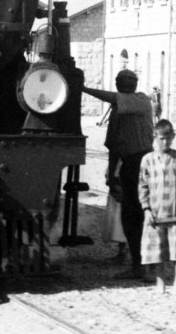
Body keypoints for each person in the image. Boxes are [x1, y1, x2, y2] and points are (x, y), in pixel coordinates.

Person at [82, 69, 153, 279]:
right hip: (128, 165)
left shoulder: (141, 100)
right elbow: (113, 146)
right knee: (129, 216)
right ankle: (138, 263)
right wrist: (112, 176)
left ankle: (146, 264)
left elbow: (112, 97)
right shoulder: (116, 111)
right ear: (118, 84)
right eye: (124, 82)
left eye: (130, 82)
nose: (127, 85)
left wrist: (84, 89)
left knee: (140, 214)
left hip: (142, 162)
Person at [139, 119, 176, 294]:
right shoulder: (147, 160)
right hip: (156, 213)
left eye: (168, 138)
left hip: (174, 213)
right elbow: (142, 186)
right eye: (162, 138)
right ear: (155, 137)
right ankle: (160, 283)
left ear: (173, 136)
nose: (165, 142)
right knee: (157, 252)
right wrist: (146, 209)